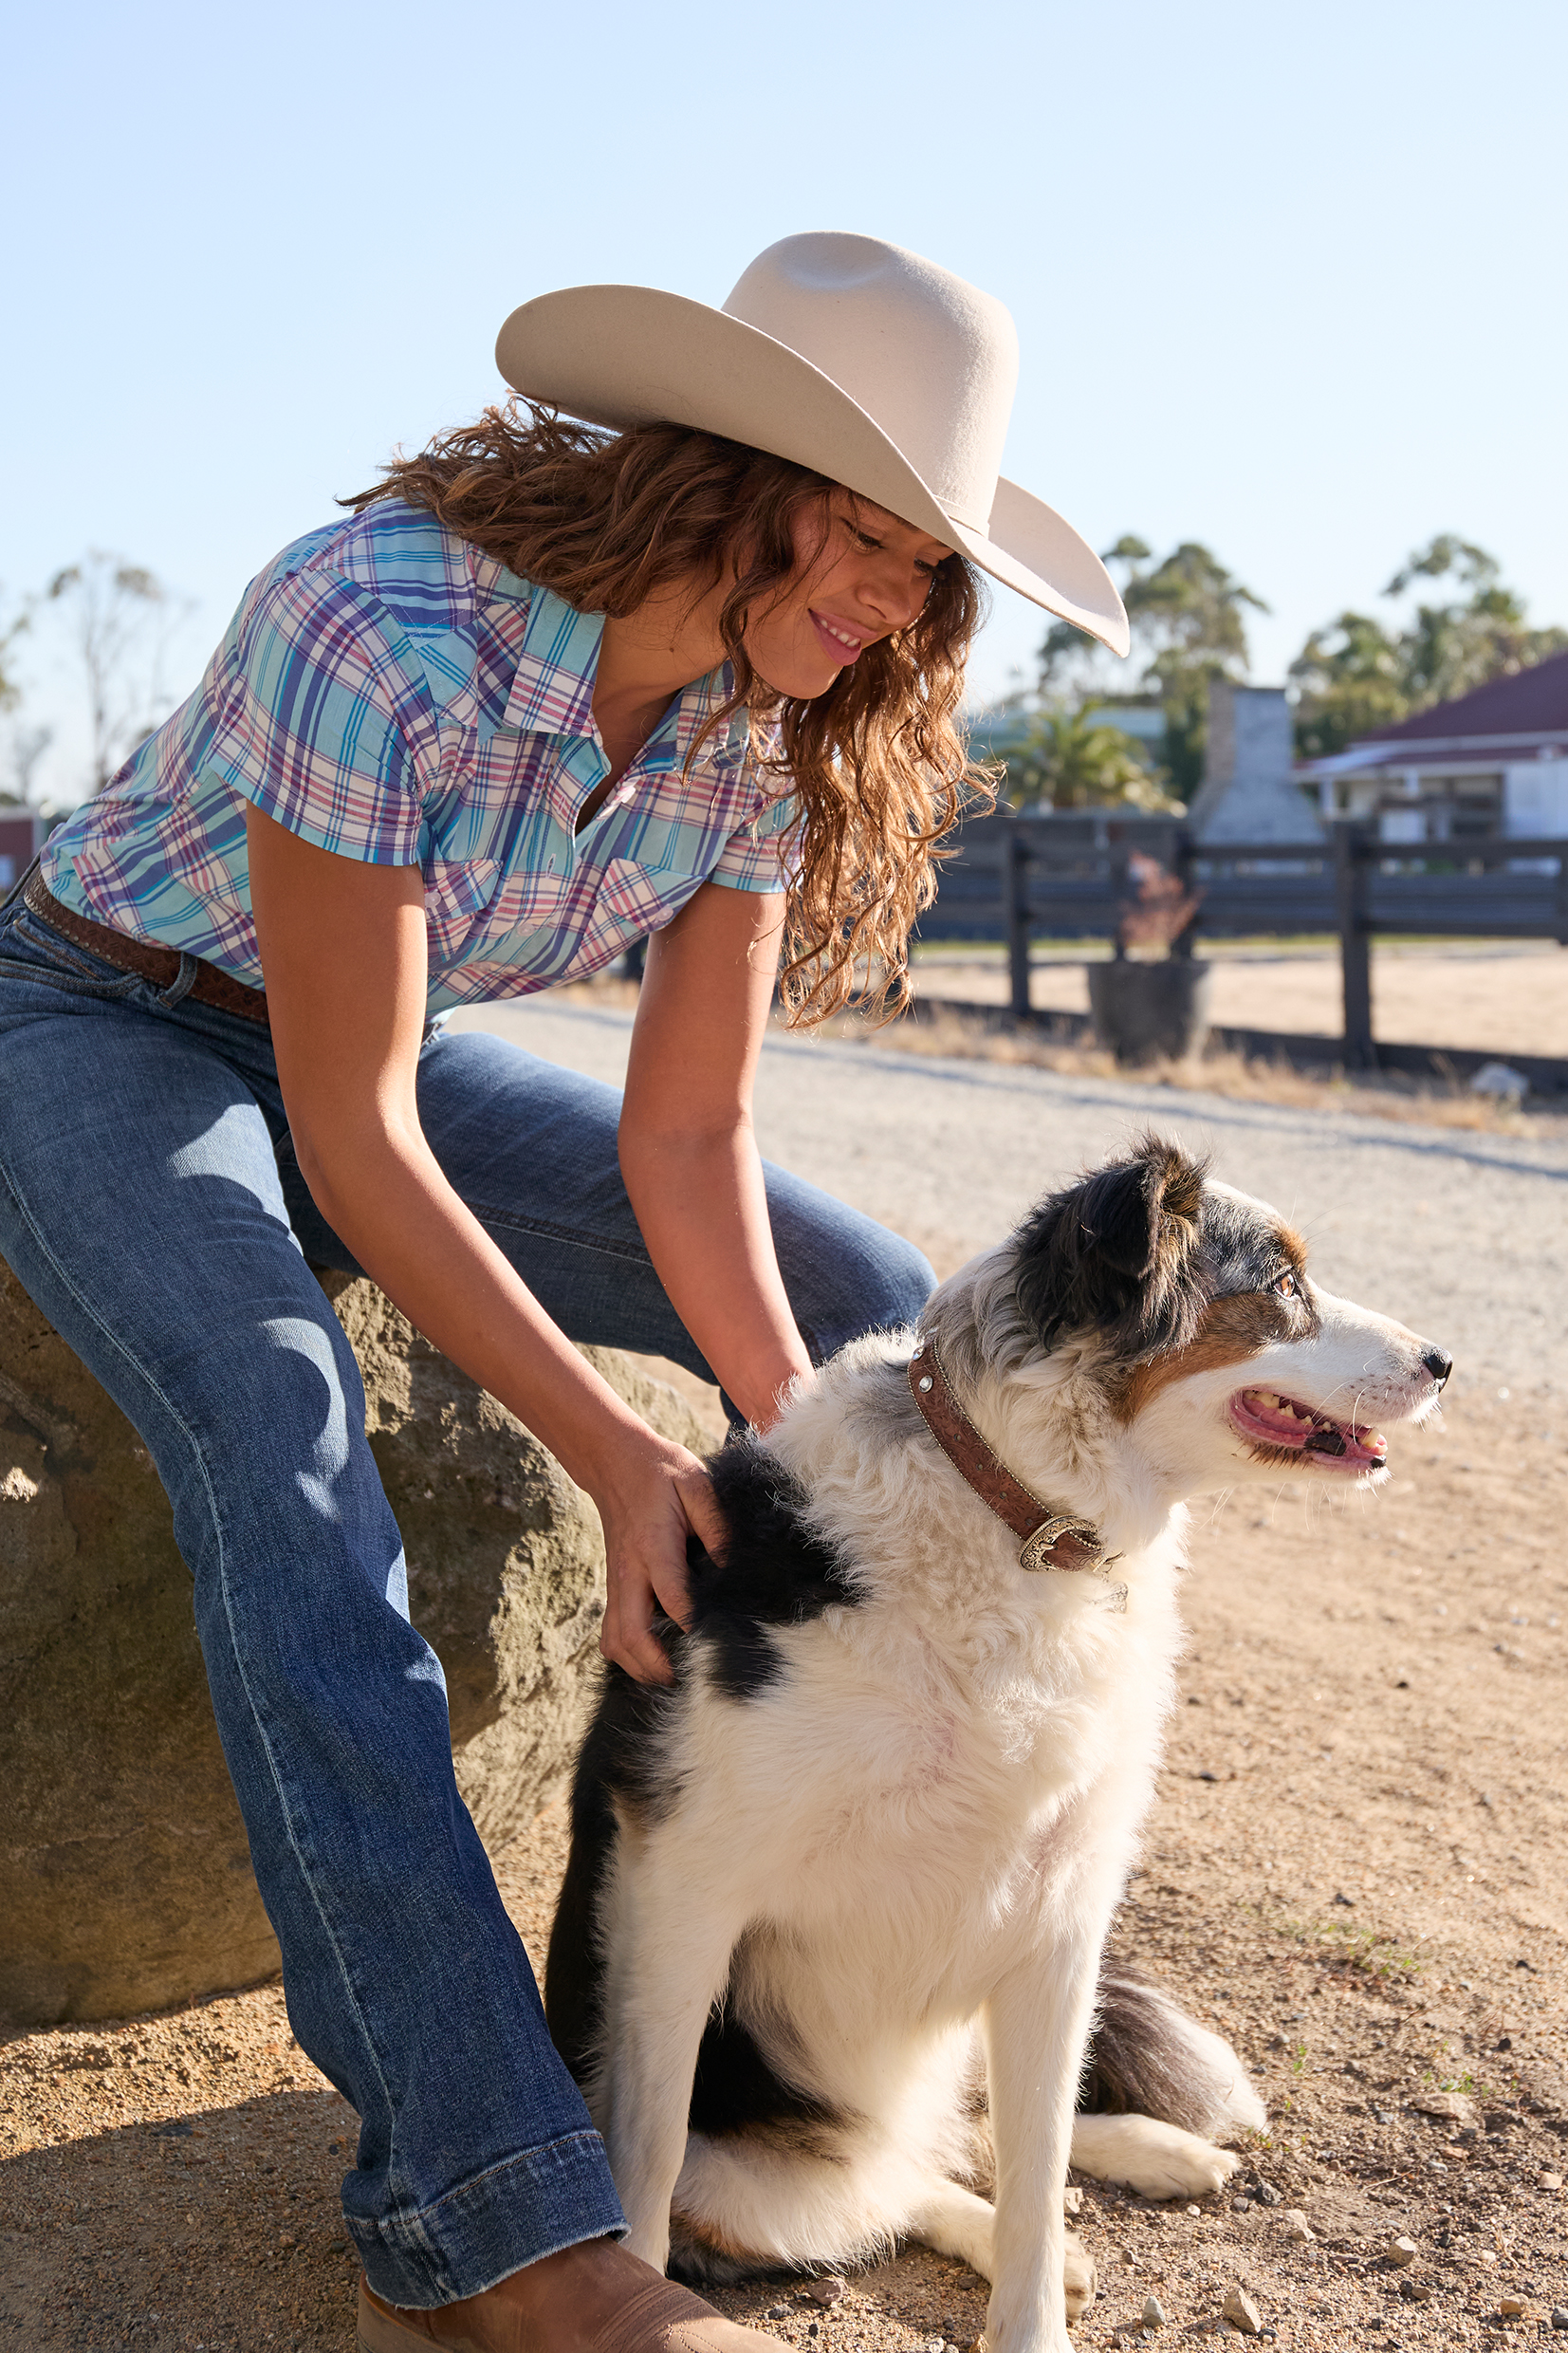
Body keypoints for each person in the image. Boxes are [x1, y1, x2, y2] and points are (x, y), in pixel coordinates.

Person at [0, 234, 1128, 2352]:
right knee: (286, 1449)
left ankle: (903, 1945)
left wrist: (802, 1486)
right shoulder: (375, 617)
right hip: (94, 1015)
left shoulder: (763, 726)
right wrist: (616, 1457)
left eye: (927, 567)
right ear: (721, 466)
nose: (890, 598)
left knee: (871, 1301)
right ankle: (498, 2222)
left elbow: (685, 1142)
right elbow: (350, 1140)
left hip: (376, 1050)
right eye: (863, 534)